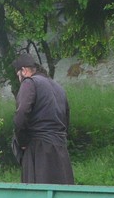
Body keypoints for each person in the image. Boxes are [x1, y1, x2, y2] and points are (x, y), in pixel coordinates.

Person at [12, 52, 75, 184]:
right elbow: (66, 119)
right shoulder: (59, 88)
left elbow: (21, 115)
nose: (19, 79)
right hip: (61, 152)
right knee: (61, 197)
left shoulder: (29, 83)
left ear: (23, 71)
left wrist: (22, 142)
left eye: (18, 75)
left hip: (38, 152)